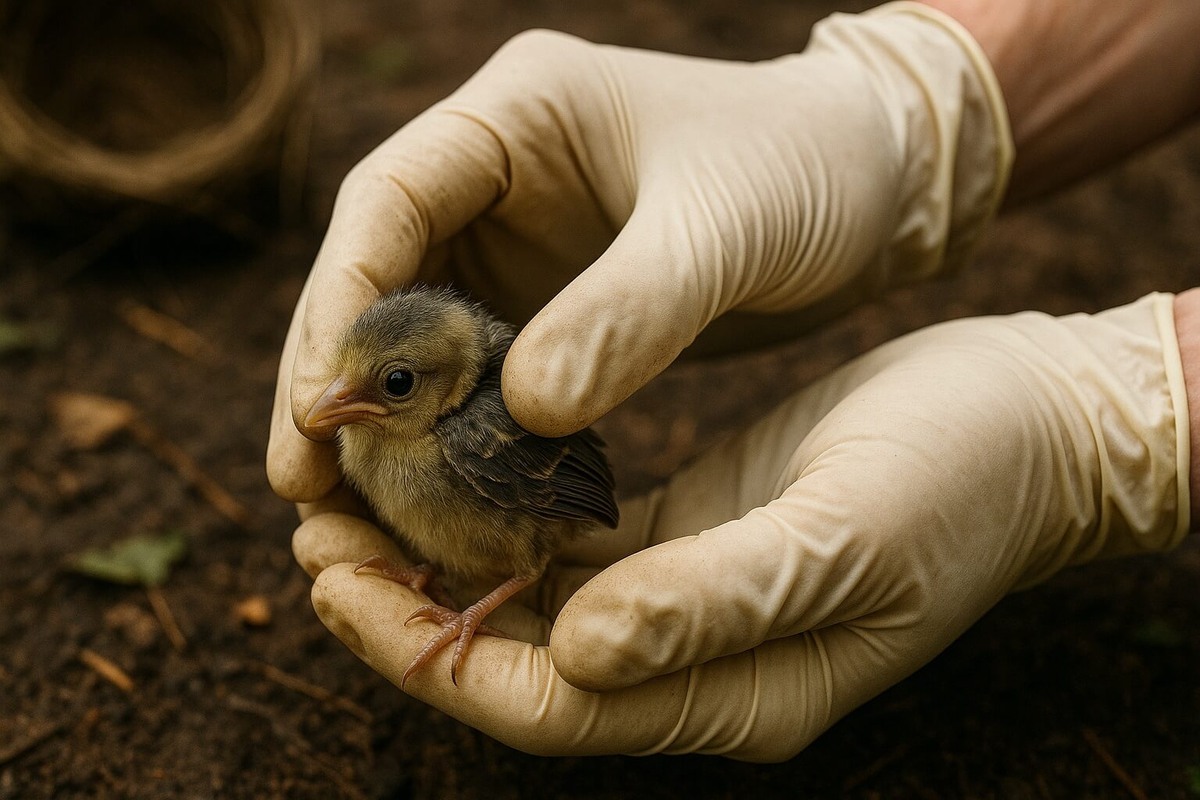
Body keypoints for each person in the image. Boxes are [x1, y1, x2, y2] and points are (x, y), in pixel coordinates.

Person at [267, 0, 1200, 760]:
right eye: (358, 385)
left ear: (437, 382)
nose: (342, 404)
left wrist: (1129, 410)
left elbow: (560, 505)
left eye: (389, 387)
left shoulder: (468, 436)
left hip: (515, 539)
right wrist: (907, 100)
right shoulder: (371, 439)